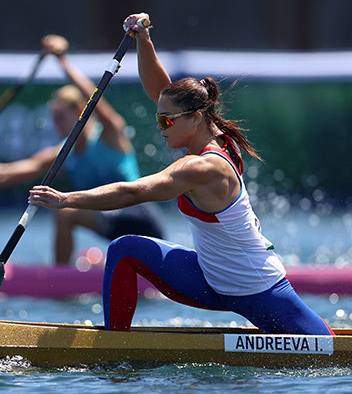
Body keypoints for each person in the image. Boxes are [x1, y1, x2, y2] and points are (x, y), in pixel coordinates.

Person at [28, 13, 334, 336]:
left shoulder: (203, 167)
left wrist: (66, 200)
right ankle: (115, 348)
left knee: (323, 344)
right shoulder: (208, 131)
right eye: (159, 119)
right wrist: (143, 40)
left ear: (196, 118)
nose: (160, 128)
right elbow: (161, 91)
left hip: (258, 289)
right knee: (123, 250)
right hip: (208, 279)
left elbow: (135, 192)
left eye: (166, 122)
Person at [0, 34, 165, 264]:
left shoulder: (110, 135)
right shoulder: (61, 154)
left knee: (65, 213)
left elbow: (95, 96)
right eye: (53, 118)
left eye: (61, 117)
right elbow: (7, 173)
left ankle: (59, 280)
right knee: (69, 217)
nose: (56, 125)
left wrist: (62, 60)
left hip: (140, 217)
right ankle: (66, 277)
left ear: (80, 111)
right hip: (112, 222)